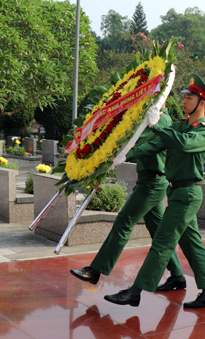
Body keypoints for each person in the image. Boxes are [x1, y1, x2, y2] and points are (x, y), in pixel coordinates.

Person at [104, 74, 205, 308]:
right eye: (185, 97)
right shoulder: (179, 125)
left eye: (190, 98)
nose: (184, 101)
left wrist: (157, 126)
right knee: (191, 243)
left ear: (202, 103)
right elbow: (155, 145)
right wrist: (124, 156)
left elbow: (183, 143)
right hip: (176, 192)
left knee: (162, 242)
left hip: (188, 194)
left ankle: (136, 291)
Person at [70, 102, 185, 288]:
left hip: (153, 183)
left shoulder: (161, 119)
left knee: (124, 221)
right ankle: (178, 276)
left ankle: (95, 270)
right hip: (148, 179)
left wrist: (109, 152)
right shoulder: (150, 117)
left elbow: (135, 143)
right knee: (158, 231)